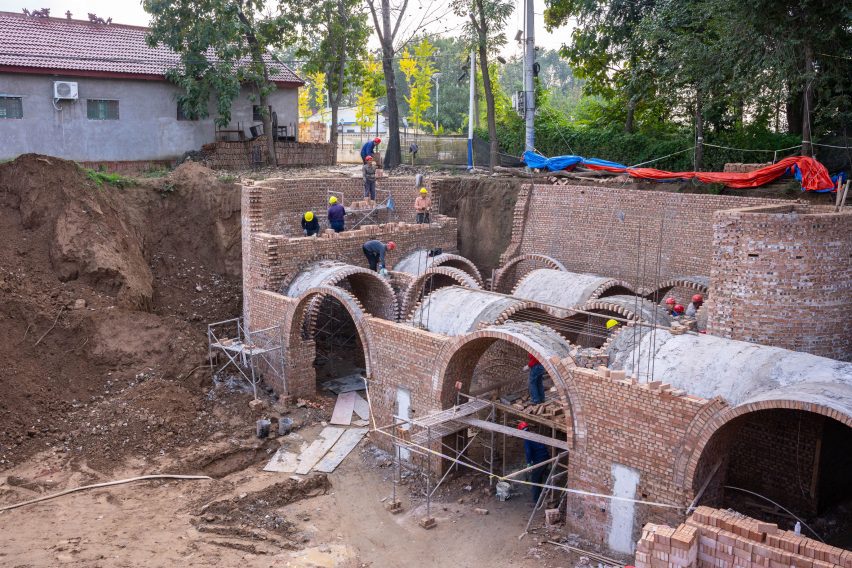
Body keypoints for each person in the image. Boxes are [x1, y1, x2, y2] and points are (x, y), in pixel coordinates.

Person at [519, 422, 550, 503]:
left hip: (540, 460)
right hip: (546, 457)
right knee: (538, 477)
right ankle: (539, 495)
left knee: (535, 479)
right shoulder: (534, 434)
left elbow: (528, 452)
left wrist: (529, 463)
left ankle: (536, 501)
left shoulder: (527, 439)